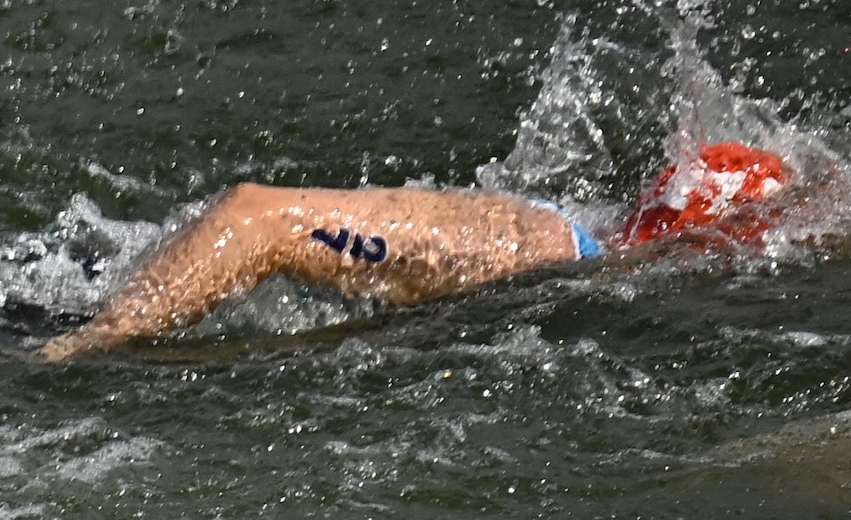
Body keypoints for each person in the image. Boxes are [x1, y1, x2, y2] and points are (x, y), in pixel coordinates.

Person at [41, 140, 794, 360]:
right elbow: (259, 218)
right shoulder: (534, 248)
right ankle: (83, 339)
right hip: (81, 338)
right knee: (266, 221)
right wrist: (90, 347)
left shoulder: (574, 254)